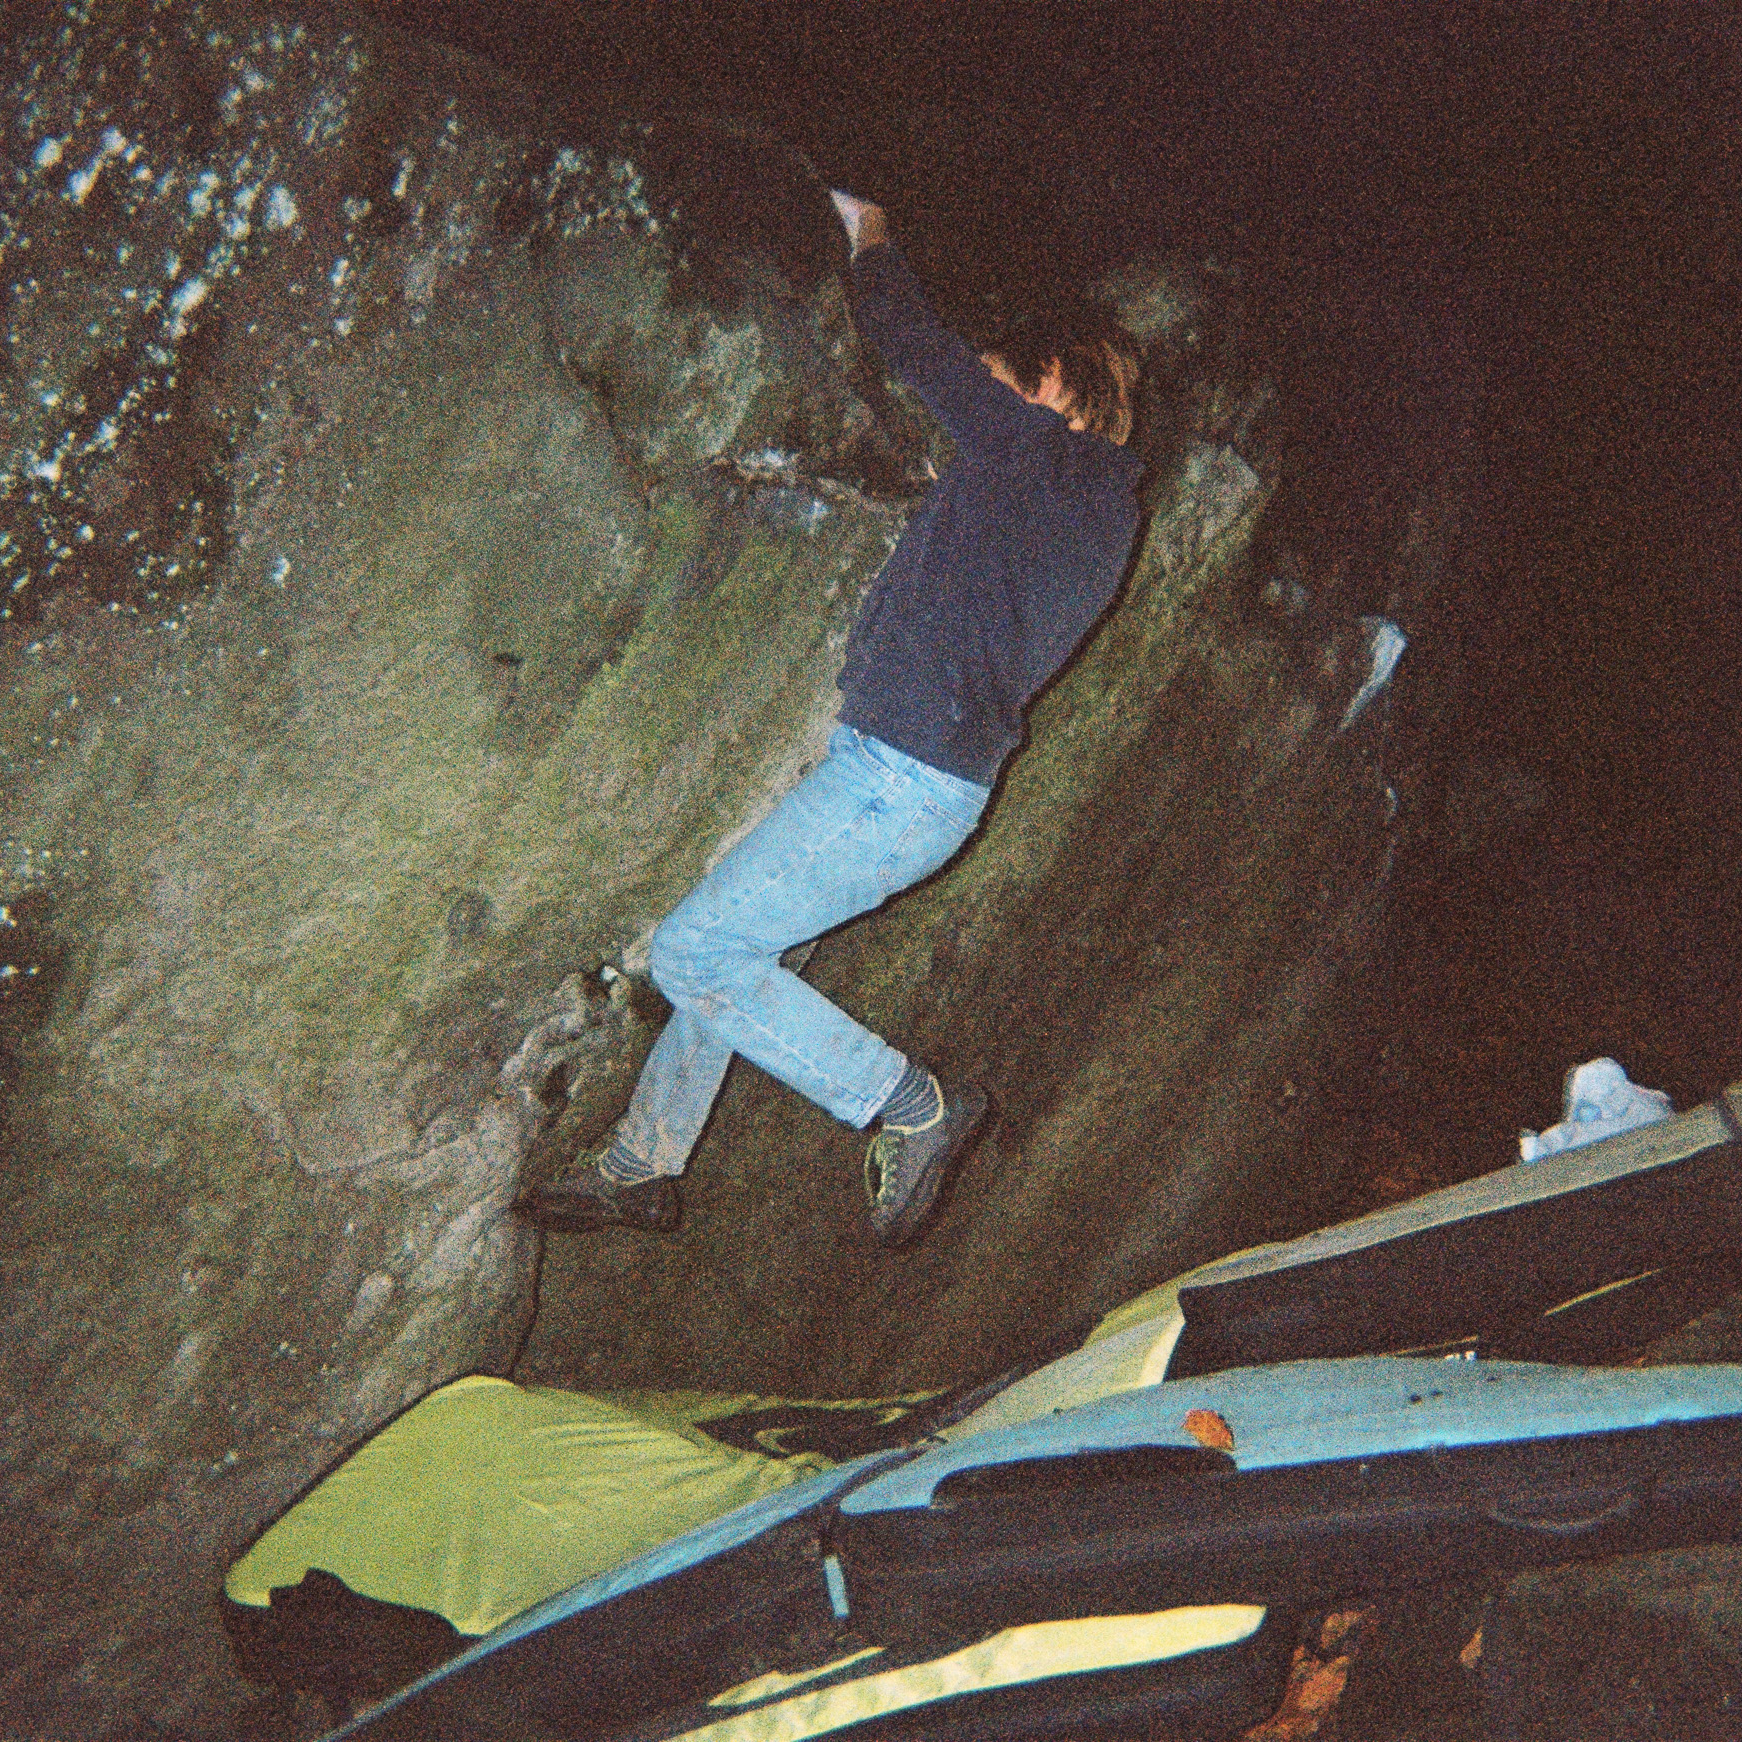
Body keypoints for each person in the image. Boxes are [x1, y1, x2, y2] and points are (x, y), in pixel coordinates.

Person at [516, 191, 1145, 1248]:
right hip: (903, 777)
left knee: (695, 951)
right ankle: (641, 1160)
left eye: (1000, 386)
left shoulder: (1047, 460)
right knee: (732, 943)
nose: (973, 417)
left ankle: (911, 1106)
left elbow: (909, 341)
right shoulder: (1075, 504)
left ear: (1056, 385)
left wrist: (870, 231)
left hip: (897, 779)